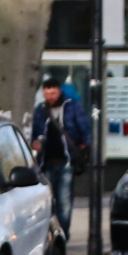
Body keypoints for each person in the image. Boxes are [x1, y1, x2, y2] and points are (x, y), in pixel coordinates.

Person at [28, 73, 89, 235]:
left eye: (53, 93)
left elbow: (84, 128)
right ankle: (52, 234)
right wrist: (35, 143)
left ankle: (63, 234)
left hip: (66, 162)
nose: (50, 97)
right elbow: (35, 132)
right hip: (46, 162)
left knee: (64, 201)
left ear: (59, 91)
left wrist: (83, 147)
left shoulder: (71, 106)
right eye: (47, 94)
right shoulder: (40, 110)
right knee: (50, 201)